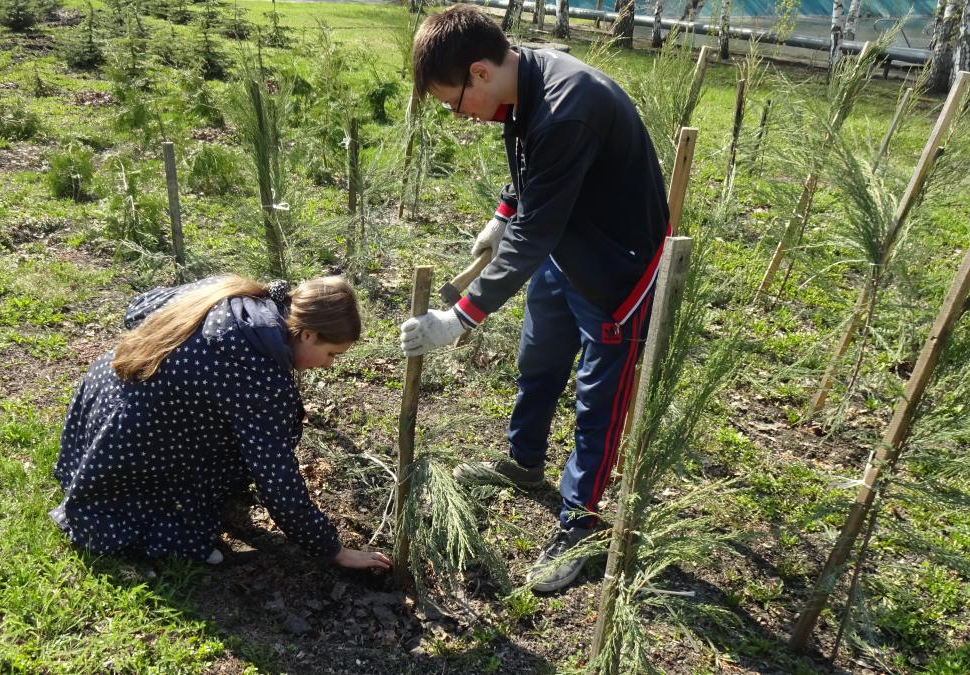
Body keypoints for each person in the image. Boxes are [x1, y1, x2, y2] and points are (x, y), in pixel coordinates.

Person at [400, 5, 669, 592]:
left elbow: (537, 228)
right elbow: (531, 169)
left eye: (453, 102)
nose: (460, 115)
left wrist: (459, 317)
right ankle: (524, 462)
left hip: (613, 266)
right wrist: (504, 212)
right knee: (539, 359)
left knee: (597, 399)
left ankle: (581, 523)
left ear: (478, 72)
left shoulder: (568, 108)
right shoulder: (521, 79)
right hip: (563, 245)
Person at [51, 275, 392, 571]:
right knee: (183, 523)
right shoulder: (259, 374)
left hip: (103, 393)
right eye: (332, 353)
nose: (329, 365)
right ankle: (147, 514)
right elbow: (276, 477)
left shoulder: (239, 294)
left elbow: (138, 308)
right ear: (307, 335)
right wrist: (333, 550)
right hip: (132, 437)